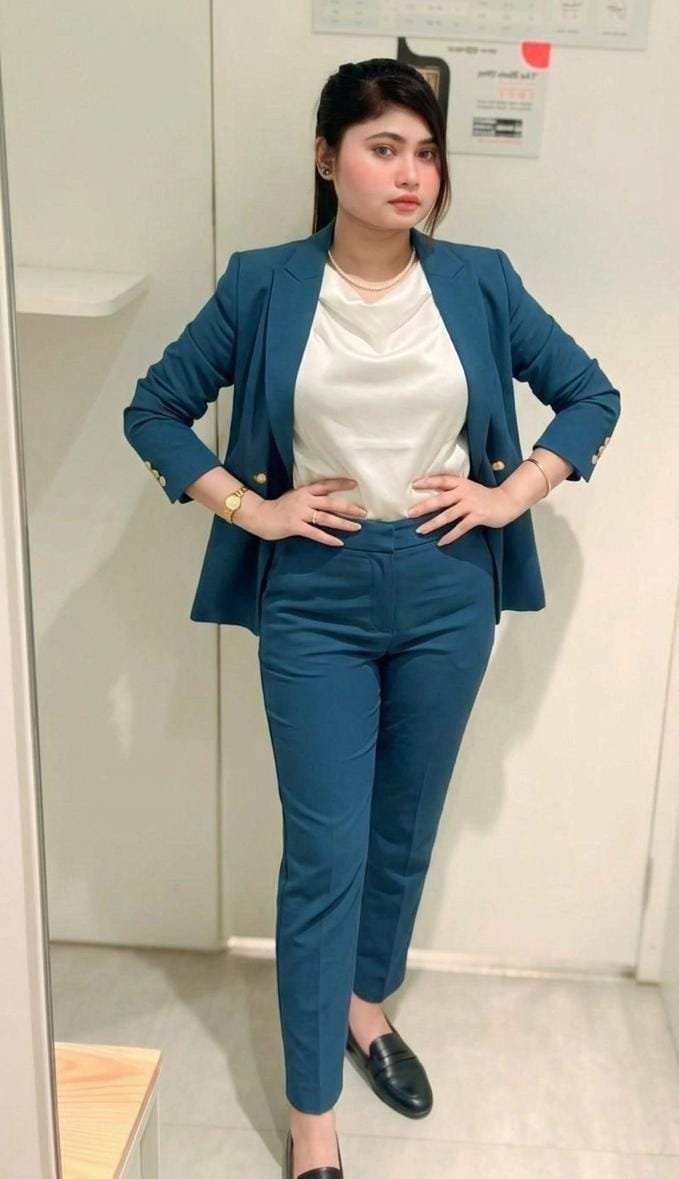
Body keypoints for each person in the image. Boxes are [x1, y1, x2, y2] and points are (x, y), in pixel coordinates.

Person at [123, 57, 621, 1179]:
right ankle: (312, 1117)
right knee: (325, 849)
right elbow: (153, 411)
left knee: (403, 825)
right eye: (383, 148)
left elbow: (591, 394)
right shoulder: (263, 284)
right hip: (317, 591)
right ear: (326, 157)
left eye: (425, 152)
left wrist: (514, 490)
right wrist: (250, 508)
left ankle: (363, 1000)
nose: (410, 175)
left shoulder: (480, 281)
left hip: (448, 584)